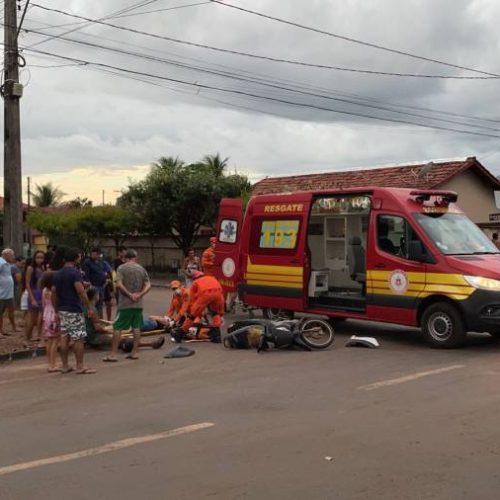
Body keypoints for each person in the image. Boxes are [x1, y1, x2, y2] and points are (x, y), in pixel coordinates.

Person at [52, 247, 96, 375]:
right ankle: (80, 366)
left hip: (62, 309)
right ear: (76, 257)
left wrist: (56, 310)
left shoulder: (58, 273)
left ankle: (65, 365)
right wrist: (88, 307)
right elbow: (81, 291)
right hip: (73, 309)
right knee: (79, 338)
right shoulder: (74, 273)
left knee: (64, 337)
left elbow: (54, 292)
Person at [103, 249, 151, 362]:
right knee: (136, 327)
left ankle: (113, 354)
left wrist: (129, 295)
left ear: (125, 258)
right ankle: (135, 352)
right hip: (138, 304)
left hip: (125, 304)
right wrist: (140, 294)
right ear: (135, 257)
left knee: (117, 327)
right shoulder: (141, 268)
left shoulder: (121, 268)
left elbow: (118, 284)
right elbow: (148, 284)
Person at [85, 287, 164, 350]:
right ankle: (151, 344)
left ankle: (150, 344)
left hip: (90, 335)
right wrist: (110, 332)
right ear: (95, 296)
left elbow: (94, 323)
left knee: (121, 335)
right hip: (94, 337)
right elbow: (98, 329)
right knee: (124, 339)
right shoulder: (92, 309)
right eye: (98, 294)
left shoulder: (87, 307)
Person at [180, 271, 224, 343]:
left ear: (194, 278)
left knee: (192, 315)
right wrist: (221, 313)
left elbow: (192, 299)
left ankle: (181, 332)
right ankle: (217, 336)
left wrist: (195, 313)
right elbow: (221, 297)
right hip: (218, 293)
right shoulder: (212, 278)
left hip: (205, 294)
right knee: (215, 313)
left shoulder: (195, 282)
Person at [40, 271, 61, 373]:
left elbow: (43, 304)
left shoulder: (44, 290)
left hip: (46, 314)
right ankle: (53, 365)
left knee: (49, 340)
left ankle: (50, 363)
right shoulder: (54, 291)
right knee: (55, 340)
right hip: (53, 314)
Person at [24, 250, 45, 342]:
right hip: (33, 293)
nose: (40, 260)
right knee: (32, 318)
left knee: (40, 316)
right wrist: (31, 298)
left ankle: (38, 335)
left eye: (42, 257)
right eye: (38, 257)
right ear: (34, 258)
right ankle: (27, 338)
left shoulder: (43, 268)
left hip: (42, 294)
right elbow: (27, 284)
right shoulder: (30, 268)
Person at [82, 247, 108, 319]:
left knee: (100, 305)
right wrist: (89, 285)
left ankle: (100, 320)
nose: (95, 256)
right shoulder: (87, 262)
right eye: (93, 254)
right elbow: (86, 275)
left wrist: (105, 280)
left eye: (97, 254)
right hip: (93, 286)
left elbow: (103, 272)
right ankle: (93, 320)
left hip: (101, 286)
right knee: (92, 304)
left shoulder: (100, 262)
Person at [0, 248, 16, 338]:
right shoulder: (1, 263)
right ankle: (0, 331)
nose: (13, 257)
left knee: (11, 310)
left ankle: (13, 327)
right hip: (1, 293)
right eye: (12, 255)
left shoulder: (7, 264)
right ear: (6, 254)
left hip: (8, 292)